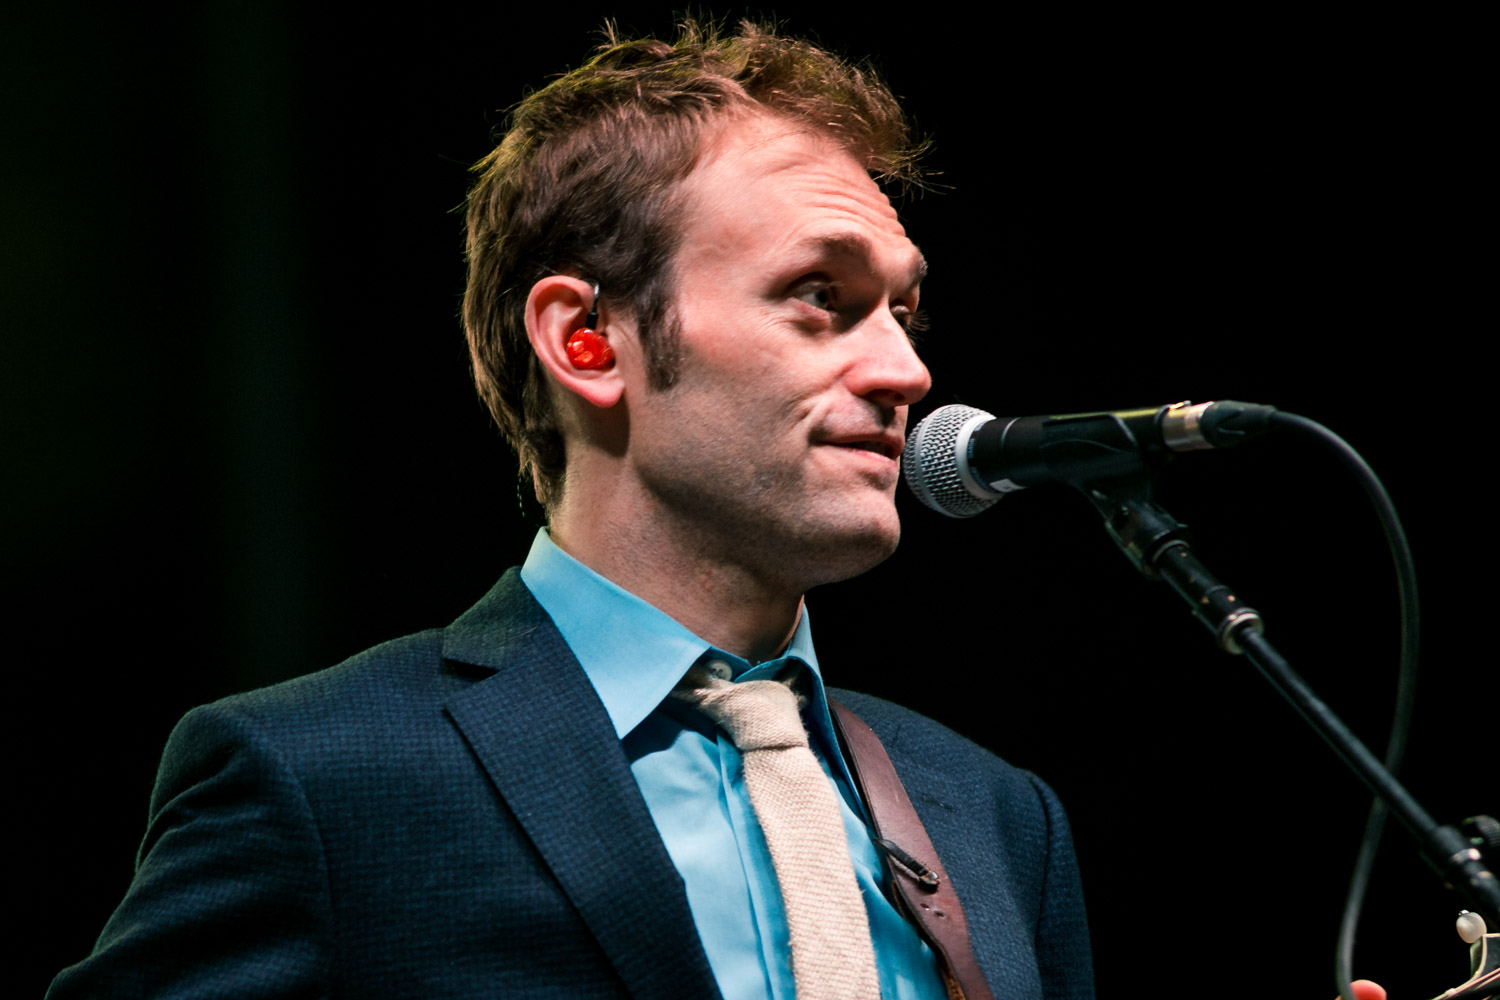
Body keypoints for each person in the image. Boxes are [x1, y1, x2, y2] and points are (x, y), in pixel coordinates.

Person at [48, 22, 1093, 999]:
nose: (906, 370)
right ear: (586, 339)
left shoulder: (997, 815)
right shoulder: (321, 785)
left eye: (904, 311)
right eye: (821, 293)